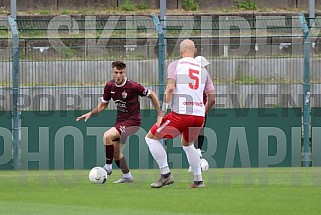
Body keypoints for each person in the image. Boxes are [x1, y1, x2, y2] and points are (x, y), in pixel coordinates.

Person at [145, 39, 216, 188]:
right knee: (188, 144)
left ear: (181, 51)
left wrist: (162, 113)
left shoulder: (175, 65)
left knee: (150, 138)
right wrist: (201, 112)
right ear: (195, 51)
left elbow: (170, 88)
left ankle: (165, 174)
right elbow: (212, 98)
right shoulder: (204, 70)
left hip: (181, 114)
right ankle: (198, 180)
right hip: (198, 117)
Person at [77, 61, 161, 183]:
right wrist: (91, 113)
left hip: (133, 122)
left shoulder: (133, 86)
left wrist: (160, 114)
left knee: (107, 135)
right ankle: (127, 176)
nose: (118, 75)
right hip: (120, 122)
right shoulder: (109, 86)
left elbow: (152, 94)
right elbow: (103, 105)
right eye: (116, 72)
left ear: (125, 72)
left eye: (121, 73)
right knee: (116, 153)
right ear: (112, 72)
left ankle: (108, 167)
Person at [188, 56, 212, 172]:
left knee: (197, 134)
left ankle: (196, 160)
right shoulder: (199, 79)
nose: (205, 68)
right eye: (203, 66)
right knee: (193, 135)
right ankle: (196, 161)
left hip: (198, 110)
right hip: (196, 110)